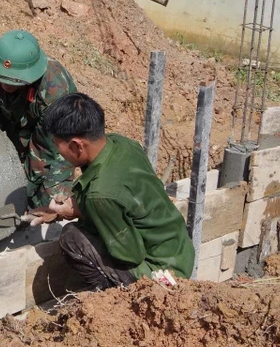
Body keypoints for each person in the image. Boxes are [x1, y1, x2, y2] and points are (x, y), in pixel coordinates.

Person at [35, 92, 195, 289]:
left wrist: (82, 212)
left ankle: (110, 296)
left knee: (72, 238)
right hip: (179, 250)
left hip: (160, 273)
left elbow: (130, 255)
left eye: (57, 144)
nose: (57, 151)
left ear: (76, 145)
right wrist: (78, 206)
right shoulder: (121, 144)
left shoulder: (100, 196)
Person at [0, 29, 78, 208]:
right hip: (18, 123)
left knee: (48, 202)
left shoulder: (54, 91)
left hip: (58, 141)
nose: (6, 85)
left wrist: (22, 192)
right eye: (2, 77)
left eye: (14, 80)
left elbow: (45, 150)